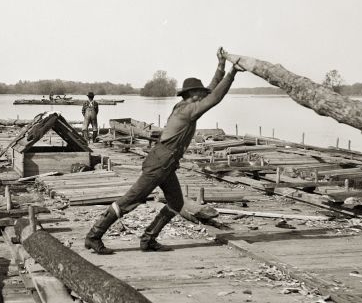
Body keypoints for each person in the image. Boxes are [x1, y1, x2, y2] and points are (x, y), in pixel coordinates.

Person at [84, 48, 244, 255]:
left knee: (176, 202)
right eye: (200, 92)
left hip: (165, 163)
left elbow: (210, 91)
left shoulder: (184, 105)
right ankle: (94, 236)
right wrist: (232, 74)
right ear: (193, 95)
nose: (204, 94)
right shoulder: (188, 111)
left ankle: (148, 239)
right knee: (131, 200)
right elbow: (215, 98)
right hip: (160, 163)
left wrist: (221, 65)